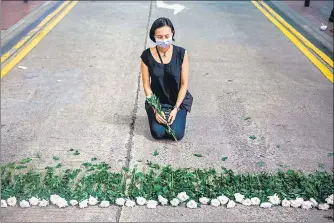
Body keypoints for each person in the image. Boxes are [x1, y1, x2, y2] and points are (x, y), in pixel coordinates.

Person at [140, 17, 193, 141]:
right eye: (159, 37)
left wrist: (175, 109)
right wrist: (156, 109)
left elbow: (184, 84)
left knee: (176, 134)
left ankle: (177, 113)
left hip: (177, 101)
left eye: (167, 36)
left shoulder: (181, 53)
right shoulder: (146, 56)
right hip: (157, 101)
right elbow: (146, 85)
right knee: (157, 133)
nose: (164, 40)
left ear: (172, 33)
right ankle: (158, 113)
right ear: (154, 36)